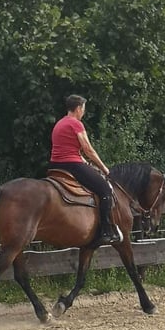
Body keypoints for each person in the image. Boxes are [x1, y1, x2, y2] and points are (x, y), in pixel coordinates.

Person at [49, 94, 122, 245]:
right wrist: (104, 168)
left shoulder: (59, 124)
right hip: (72, 165)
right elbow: (88, 149)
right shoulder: (76, 124)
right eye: (83, 109)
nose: (83, 112)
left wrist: (87, 164)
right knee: (105, 190)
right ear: (78, 108)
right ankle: (105, 231)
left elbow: (69, 149)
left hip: (55, 166)